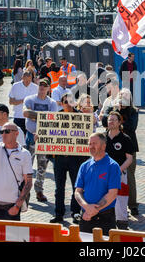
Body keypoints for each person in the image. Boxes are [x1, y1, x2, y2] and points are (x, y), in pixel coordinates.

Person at [49, 92, 88, 224]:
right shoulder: (55, 117)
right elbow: (49, 135)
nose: (68, 104)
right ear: (62, 103)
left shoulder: (81, 117)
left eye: (70, 101)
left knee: (76, 187)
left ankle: (75, 212)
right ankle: (59, 214)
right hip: (59, 158)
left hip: (75, 159)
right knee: (59, 188)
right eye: (65, 102)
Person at [102, 88, 139, 216]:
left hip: (128, 146)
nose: (123, 98)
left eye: (126, 96)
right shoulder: (112, 108)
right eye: (121, 95)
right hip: (112, 146)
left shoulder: (133, 111)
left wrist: (119, 119)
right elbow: (104, 121)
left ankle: (133, 205)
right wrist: (115, 111)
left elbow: (131, 127)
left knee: (129, 177)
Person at [74, 133, 121, 236]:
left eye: (94, 143)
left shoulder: (113, 166)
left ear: (104, 145)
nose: (91, 146)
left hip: (105, 219)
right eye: (89, 144)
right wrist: (86, 207)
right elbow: (78, 192)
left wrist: (93, 210)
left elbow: (112, 194)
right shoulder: (84, 166)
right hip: (86, 216)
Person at [23, 77, 58, 202]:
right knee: (27, 166)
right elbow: (26, 113)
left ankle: (39, 190)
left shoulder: (52, 102)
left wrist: (35, 115)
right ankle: (25, 192)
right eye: (40, 85)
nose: (42, 87)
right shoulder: (30, 99)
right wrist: (44, 116)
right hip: (30, 137)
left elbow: (52, 119)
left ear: (48, 88)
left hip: (44, 138)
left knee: (42, 166)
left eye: (45, 86)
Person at [106, 111, 133, 229]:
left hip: (120, 174)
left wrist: (119, 170)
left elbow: (129, 159)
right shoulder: (102, 137)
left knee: (120, 199)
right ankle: (107, 221)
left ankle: (122, 223)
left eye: (113, 120)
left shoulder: (125, 138)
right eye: (109, 120)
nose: (111, 122)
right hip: (104, 174)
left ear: (119, 122)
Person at [9, 70, 38, 135]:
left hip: (31, 118)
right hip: (18, 116)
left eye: (29, 80)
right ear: (22, 78)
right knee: (18, 137)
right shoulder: (15, 86)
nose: (28, 82)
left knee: (30, 140)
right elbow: (11, 101)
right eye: (26, 80)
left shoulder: (35, 87)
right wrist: (23, 101)